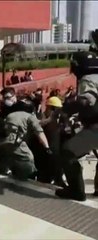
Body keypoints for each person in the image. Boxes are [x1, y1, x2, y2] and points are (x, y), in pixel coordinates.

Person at [56, 51, 98, 201]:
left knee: (68, 152)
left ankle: (76, 191)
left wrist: (66, 109)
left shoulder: (88, 79)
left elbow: (86, 101)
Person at [0, 98, 52, 180]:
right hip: (16, 142)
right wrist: (47, 147)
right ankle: (26, 176)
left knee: (9, 156)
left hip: (3, 141)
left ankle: (3, 168)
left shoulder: (10, 115)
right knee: (29, 158)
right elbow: (39, 132)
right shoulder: (30, 117)